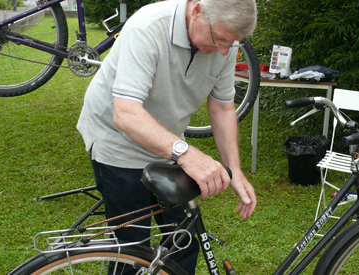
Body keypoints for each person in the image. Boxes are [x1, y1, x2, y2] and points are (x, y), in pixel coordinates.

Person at [76, 0, 257, 273]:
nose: (223, 51)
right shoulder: (148, 27)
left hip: (169, 142)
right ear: (196, 10)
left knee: (182, 241)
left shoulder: (225, 40)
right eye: (219, 39)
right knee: (132, 249)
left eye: (231, 43)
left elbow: (222, 106)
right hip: (117, 140)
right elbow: (125, 114)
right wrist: (187, 154)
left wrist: (236, 170)